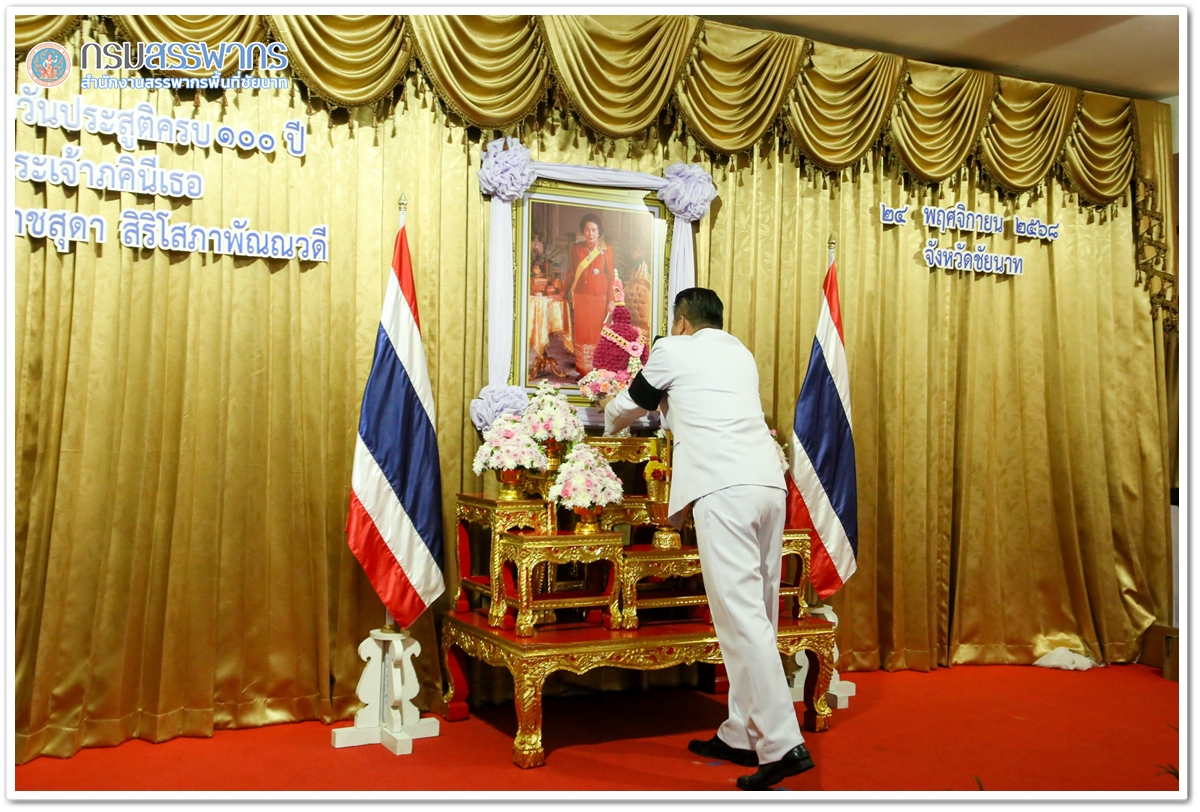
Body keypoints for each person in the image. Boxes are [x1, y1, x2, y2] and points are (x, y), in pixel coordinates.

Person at [602, 287, 814, 791]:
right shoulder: (741, 353)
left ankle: (783, 744)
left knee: (741, 619)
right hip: (768, 486)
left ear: (680, 322)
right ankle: (741, 731)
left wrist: (608, 420)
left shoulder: (673, 348)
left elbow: (630, 405)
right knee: (758, 615)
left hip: (724, 488)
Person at [568, 212, 615, 375]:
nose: (590, 233)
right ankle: (583, 371)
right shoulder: (576, 248)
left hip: (599, 299)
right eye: (587, 230)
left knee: (597, 334)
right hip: (581, 298)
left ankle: (597, 370)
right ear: (583, 231)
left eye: (594, 230)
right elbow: (571, 273)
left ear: (599, 231)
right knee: (582, 335)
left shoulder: (606, 250)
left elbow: (611, 277)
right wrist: (562, 293)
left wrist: (611, 300)